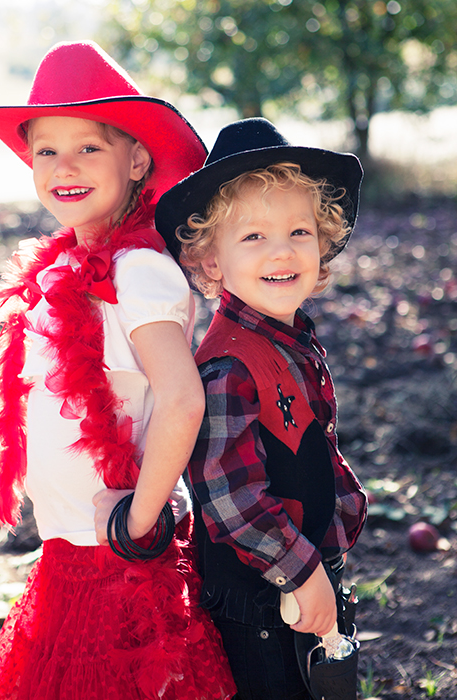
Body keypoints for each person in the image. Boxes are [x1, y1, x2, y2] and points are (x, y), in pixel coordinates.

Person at [0, 41, 236, 700]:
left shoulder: (138, 271)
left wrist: (141, 519)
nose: (64, 166)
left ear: (137, 159)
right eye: (45, 151)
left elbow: (181, 400)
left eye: (88, 147)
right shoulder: (60, 270)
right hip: (70, 545)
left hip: (118, 549)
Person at [155, 118, 368, 700]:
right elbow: (231, 498)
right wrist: (302, 571)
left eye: (300, 230)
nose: (282, 250)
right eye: (253, 237)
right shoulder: (227, 366)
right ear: (211, 261)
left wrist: (343, 516)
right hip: (261, 600)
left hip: (303, 572)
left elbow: (314, 439)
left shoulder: (290, 336)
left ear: (323, 244)